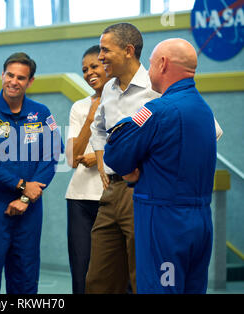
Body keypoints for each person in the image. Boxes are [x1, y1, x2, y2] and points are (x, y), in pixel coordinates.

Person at [103, 38, 217, 294]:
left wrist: (131, 168)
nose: (149, 70)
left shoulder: (158, 110)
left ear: (163, 64)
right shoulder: (204, 110)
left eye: (152, 64)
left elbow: (115, 152)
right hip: (200, 222)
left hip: (165, 223)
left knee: (160, 289)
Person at [0, 52, 62, 294]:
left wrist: (26, 197)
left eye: (21, 77)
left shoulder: (41, 113)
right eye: (10, 75)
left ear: (30, 82)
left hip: (28, 210)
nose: (14, 81)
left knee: (25, 276)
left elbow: (51, 156)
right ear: (2, 75)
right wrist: (20, 185)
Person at [85, 23, 161, 294]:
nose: (100, 56)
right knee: (98, 280)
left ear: (128, 51)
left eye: (106, 50)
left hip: (143, 192)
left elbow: (206, 131)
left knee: (142, 277)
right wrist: (100, 156)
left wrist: (154, 171)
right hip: (111, 192)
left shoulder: (158, 85)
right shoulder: (109, 89)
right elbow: (99, 128)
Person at [65, 45, 109, 294]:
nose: (89, 72)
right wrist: (91, 116)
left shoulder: (130, 101)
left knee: (117, 273)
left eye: (95, 66)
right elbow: (72, 158)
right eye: (85, 69)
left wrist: (100, 157)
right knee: (81, 271)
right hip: (80, 199)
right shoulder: (79, 107)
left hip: (112, 197)